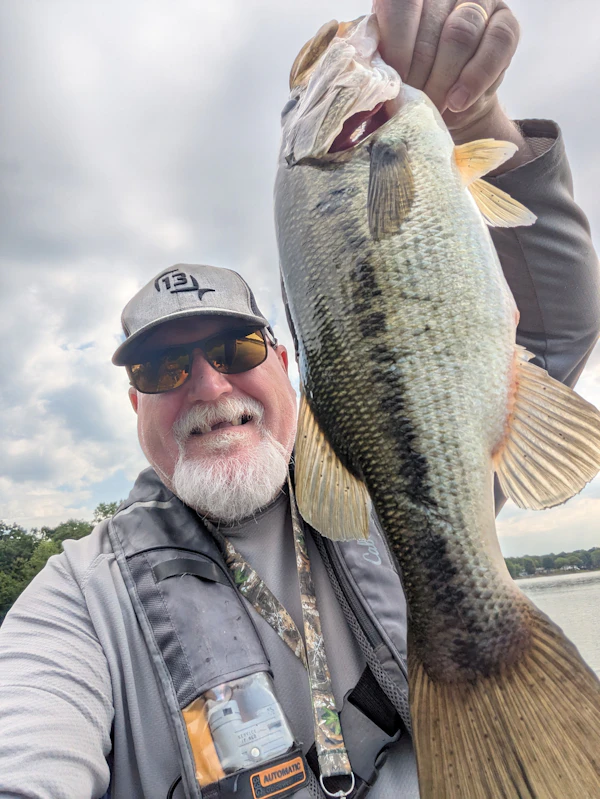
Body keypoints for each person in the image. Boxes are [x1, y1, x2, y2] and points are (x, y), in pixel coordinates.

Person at [1, 1, 599, 797]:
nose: (209, 385)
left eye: (235, 350)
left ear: (288, 364)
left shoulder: (384, 488)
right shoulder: (78, 599)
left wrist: (478, 115)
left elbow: (558, 326)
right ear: (133, 406)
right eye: (163, 368)